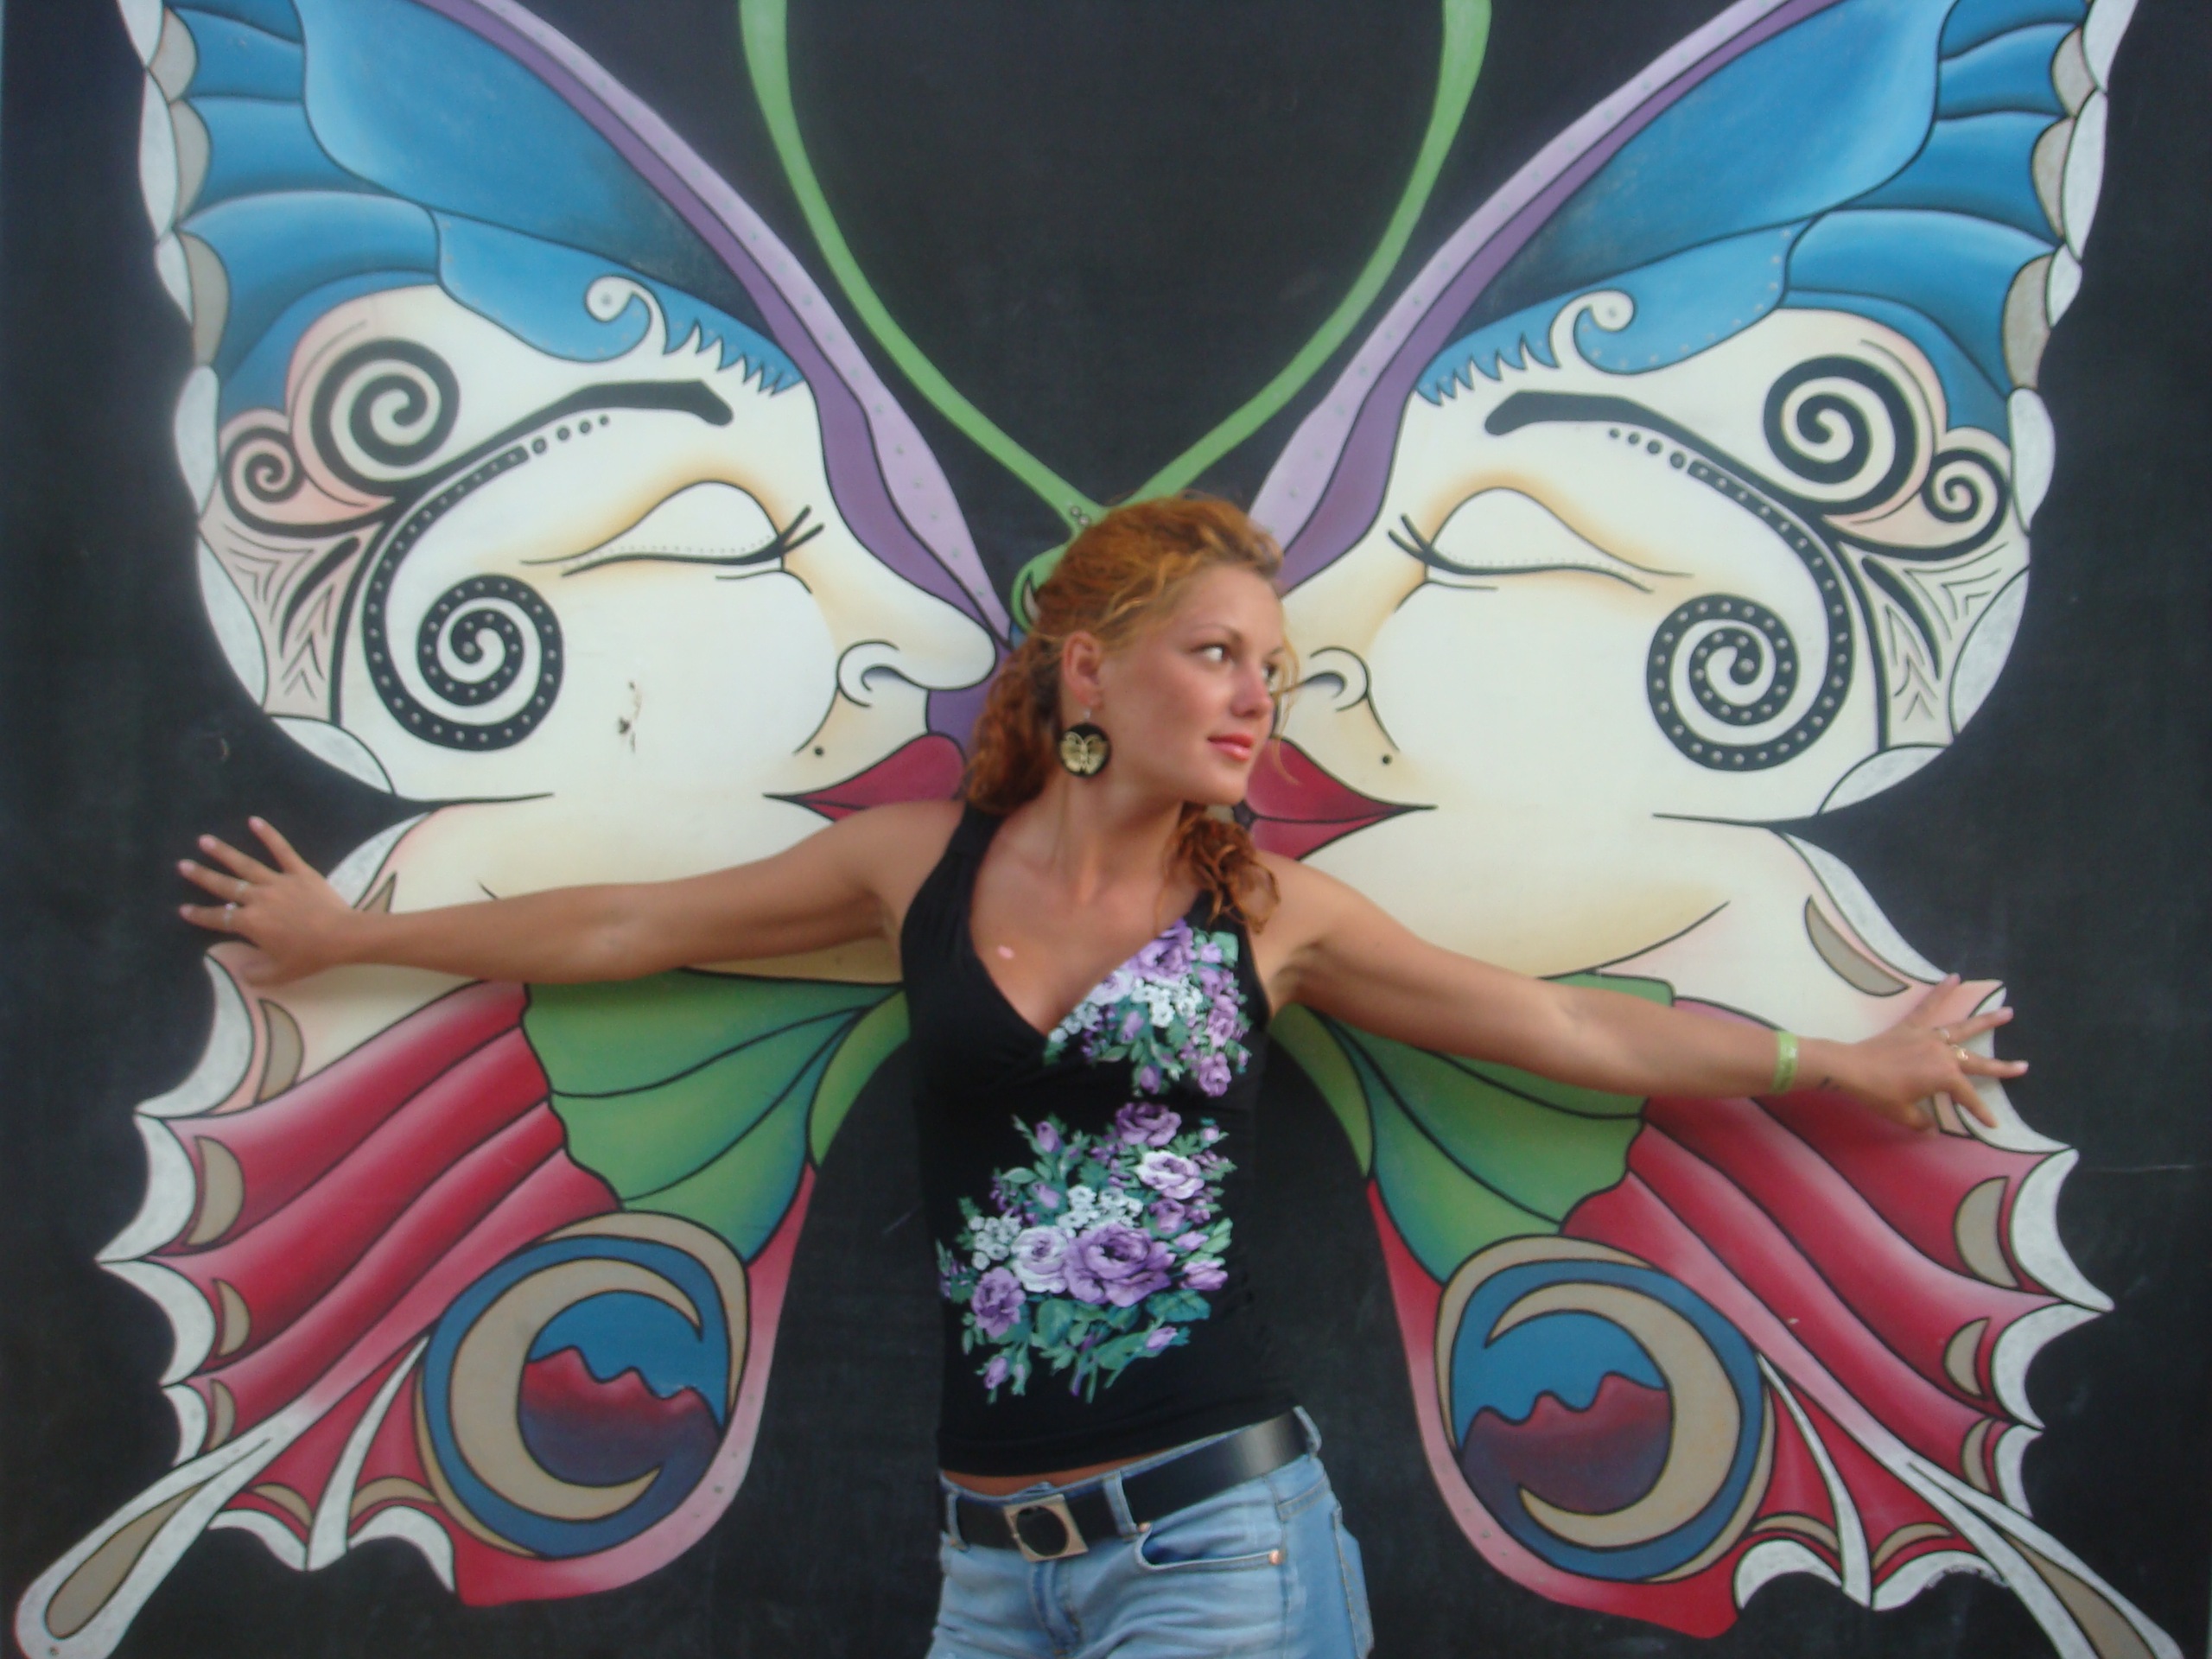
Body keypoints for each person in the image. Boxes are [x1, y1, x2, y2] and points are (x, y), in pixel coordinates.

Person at [176, 496, 2022, 1659]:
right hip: (989, 1568)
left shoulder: (1271, 916)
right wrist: (352, 935)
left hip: (1221, 1551)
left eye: (1273, 668)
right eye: (1215, 654)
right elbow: (632, 925)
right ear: (1087, 671)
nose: (1254, 697)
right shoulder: (914, 867)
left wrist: (1842, 1061)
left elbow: (1569, 1028)